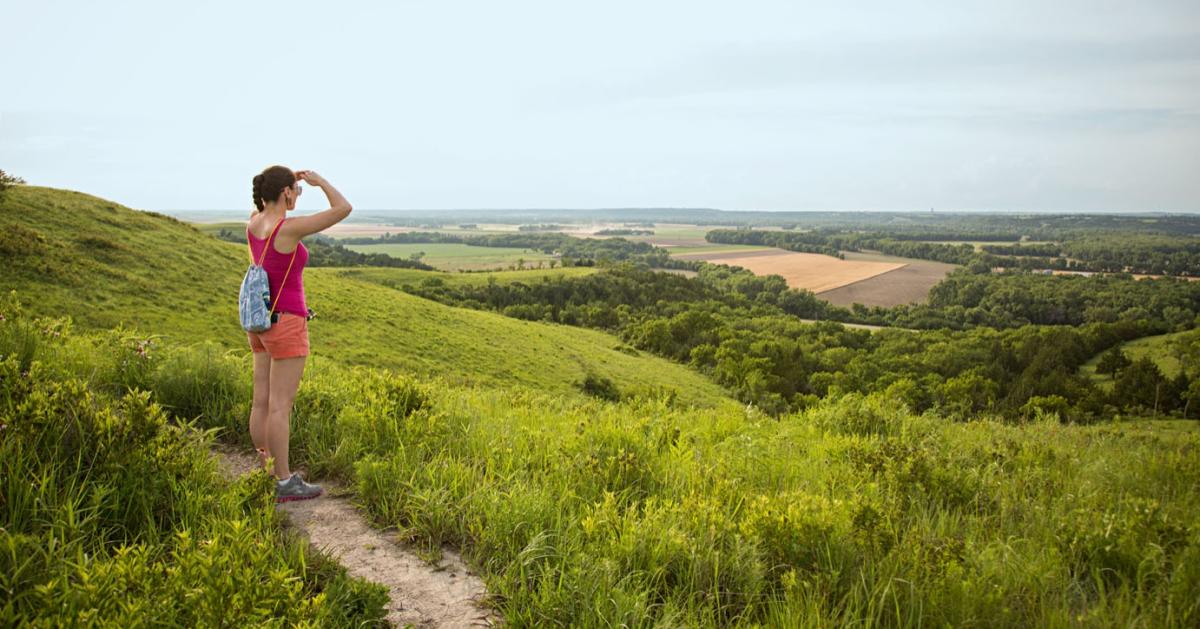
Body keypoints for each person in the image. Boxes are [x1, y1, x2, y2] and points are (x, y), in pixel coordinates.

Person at [245, 165, 352, 502]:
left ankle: (267, 468)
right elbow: (343, 209)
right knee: (280, 406)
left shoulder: (254, 222)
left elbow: (266, 210)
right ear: (287, 193)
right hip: (287, 321)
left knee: (261, 400)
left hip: (258, 322)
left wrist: (286, 184)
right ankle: (284, 481)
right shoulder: (287, 230)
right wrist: (320, 182)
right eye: (297, 191)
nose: (299, 196)